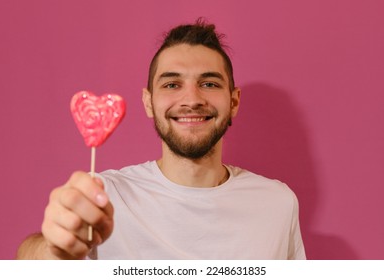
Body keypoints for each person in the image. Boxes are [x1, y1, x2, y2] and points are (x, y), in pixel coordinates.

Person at [17, 19, 306, 260]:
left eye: (209, 83)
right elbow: (29, 260)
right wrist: (55, 249)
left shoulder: (277, 203)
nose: (192, 100)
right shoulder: (104, 195)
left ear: (233, 101)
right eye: (172, 84)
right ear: (148, 102)